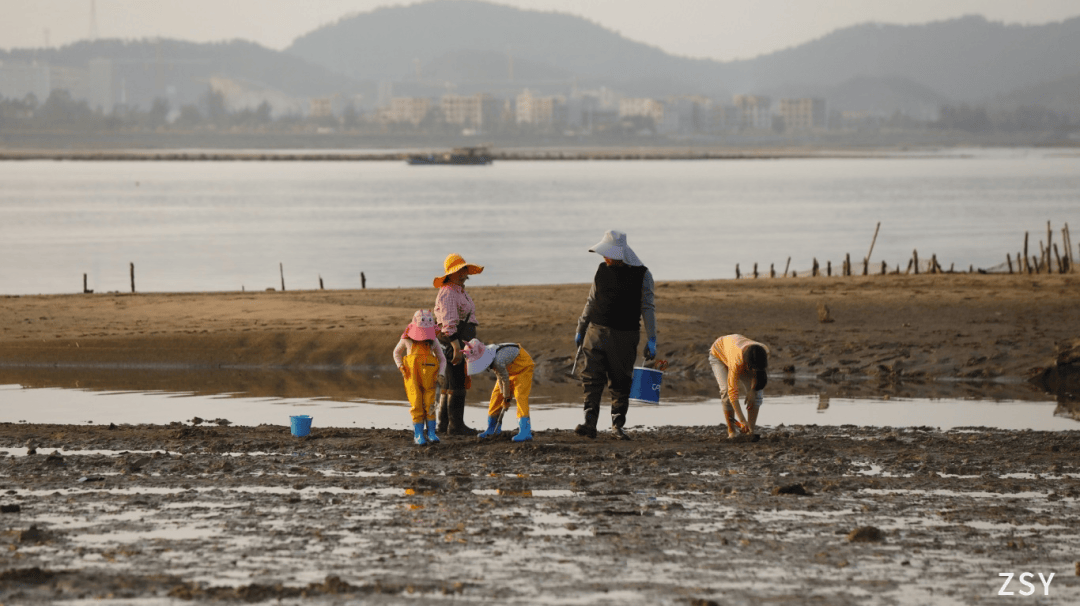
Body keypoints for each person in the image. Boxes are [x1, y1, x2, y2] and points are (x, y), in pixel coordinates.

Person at [574, 230, 657, 440]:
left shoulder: (643, 275)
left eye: (608, 253)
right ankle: (589, 424)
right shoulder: (601, 270)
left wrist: (652, 338)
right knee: (591, 378)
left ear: (619, 254)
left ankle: (617, 426)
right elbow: (591, 300)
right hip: (595, 332)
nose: (604, 257)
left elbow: (648, 308)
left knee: (620, 381)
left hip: (625, 336)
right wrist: (581, 328)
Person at [433, 253, 483, 435]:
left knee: (449, 382)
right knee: (457, 383)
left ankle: (443, 425)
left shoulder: (457, 290)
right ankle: (455, 426)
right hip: (454, 341)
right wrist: (456, 346)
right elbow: (448, 322)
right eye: (460, 271)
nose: (464, 274)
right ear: (452, 274)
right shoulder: (448, 292)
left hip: (457, 340)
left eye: (464, 271)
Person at [462, 339, 535, 442]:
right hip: (507, 371)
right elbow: (501, 379)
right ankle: (492, 429)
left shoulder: (497, 360)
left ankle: (525, 431)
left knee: (520, 396)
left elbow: (504, 380)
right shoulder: (491, 358)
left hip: (523, 368)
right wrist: (504, 396)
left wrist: (506, 398)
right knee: (495, 396)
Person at [393, 309, 447, 445]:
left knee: (430, 404)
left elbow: (442, 359)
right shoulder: (407, 339)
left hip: (430, 378)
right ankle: (418, 434)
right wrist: (400, 366)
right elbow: (396, 353)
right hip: (412, 377)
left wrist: (441, 374)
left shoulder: (433, 341)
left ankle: (431, 433)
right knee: (416, 403)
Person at [709, 334, 769, 438]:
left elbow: (759, 373)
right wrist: (742, 420)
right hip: (718, 354)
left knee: (757, 393)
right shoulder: (736, 361)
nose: (753, 371)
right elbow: (732, 392)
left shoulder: (764, 351)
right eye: (752, 369)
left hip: (739, 353)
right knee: (726, 391)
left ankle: (750, 431)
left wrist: (753, 390)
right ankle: (732, 431)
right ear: (747, 365)